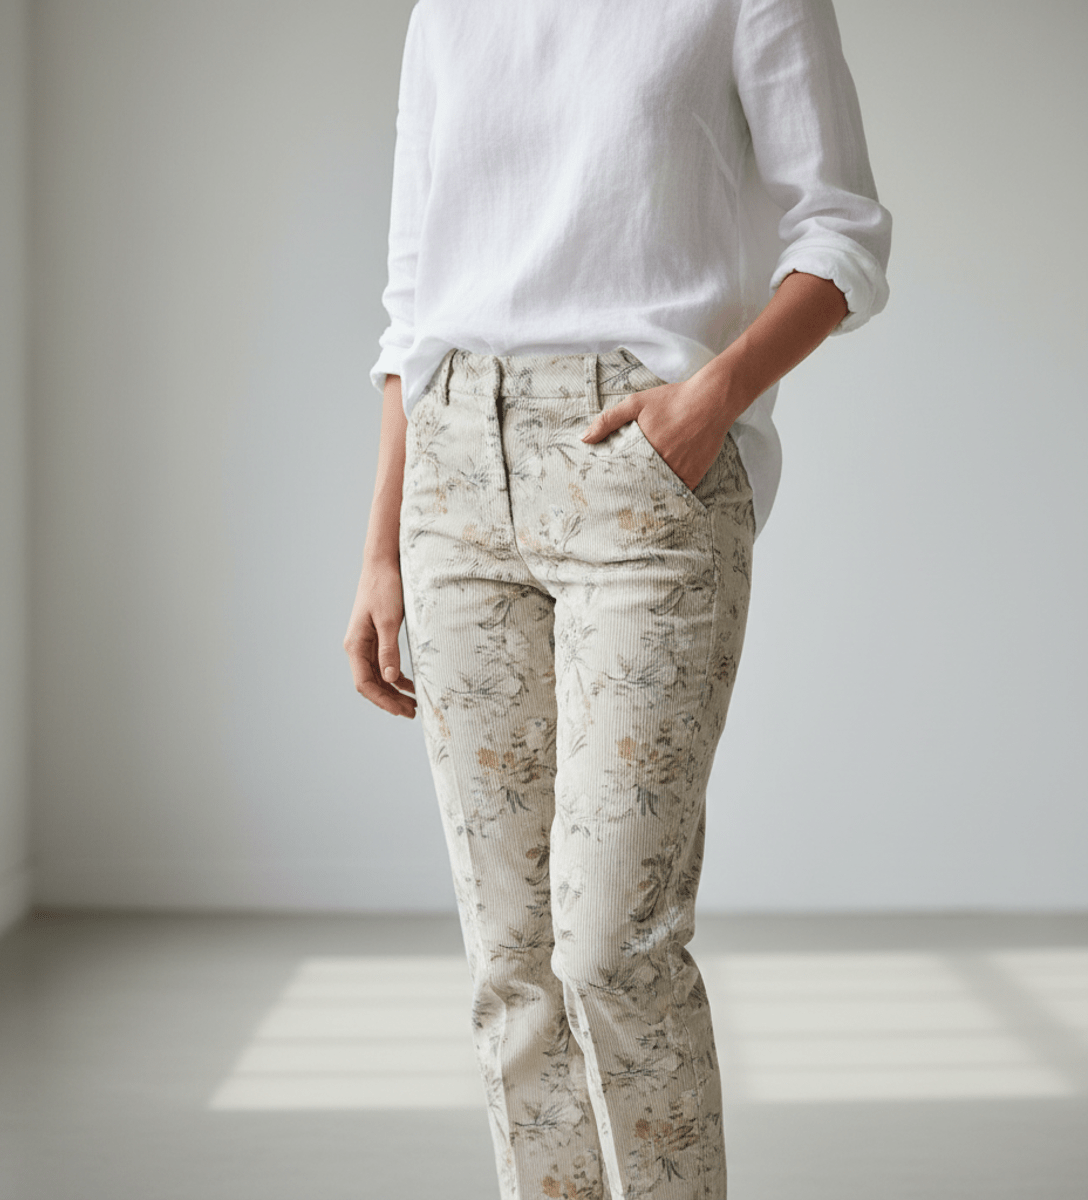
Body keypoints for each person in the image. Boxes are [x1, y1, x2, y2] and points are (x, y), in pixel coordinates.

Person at [344, 1, 891, 1196]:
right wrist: (381, 544)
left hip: (640, 465)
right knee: (512, 965)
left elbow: (842, 233)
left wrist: (710, 400)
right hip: (453, 484)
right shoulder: (449, 12)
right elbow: (412, 300)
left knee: (610, 950)